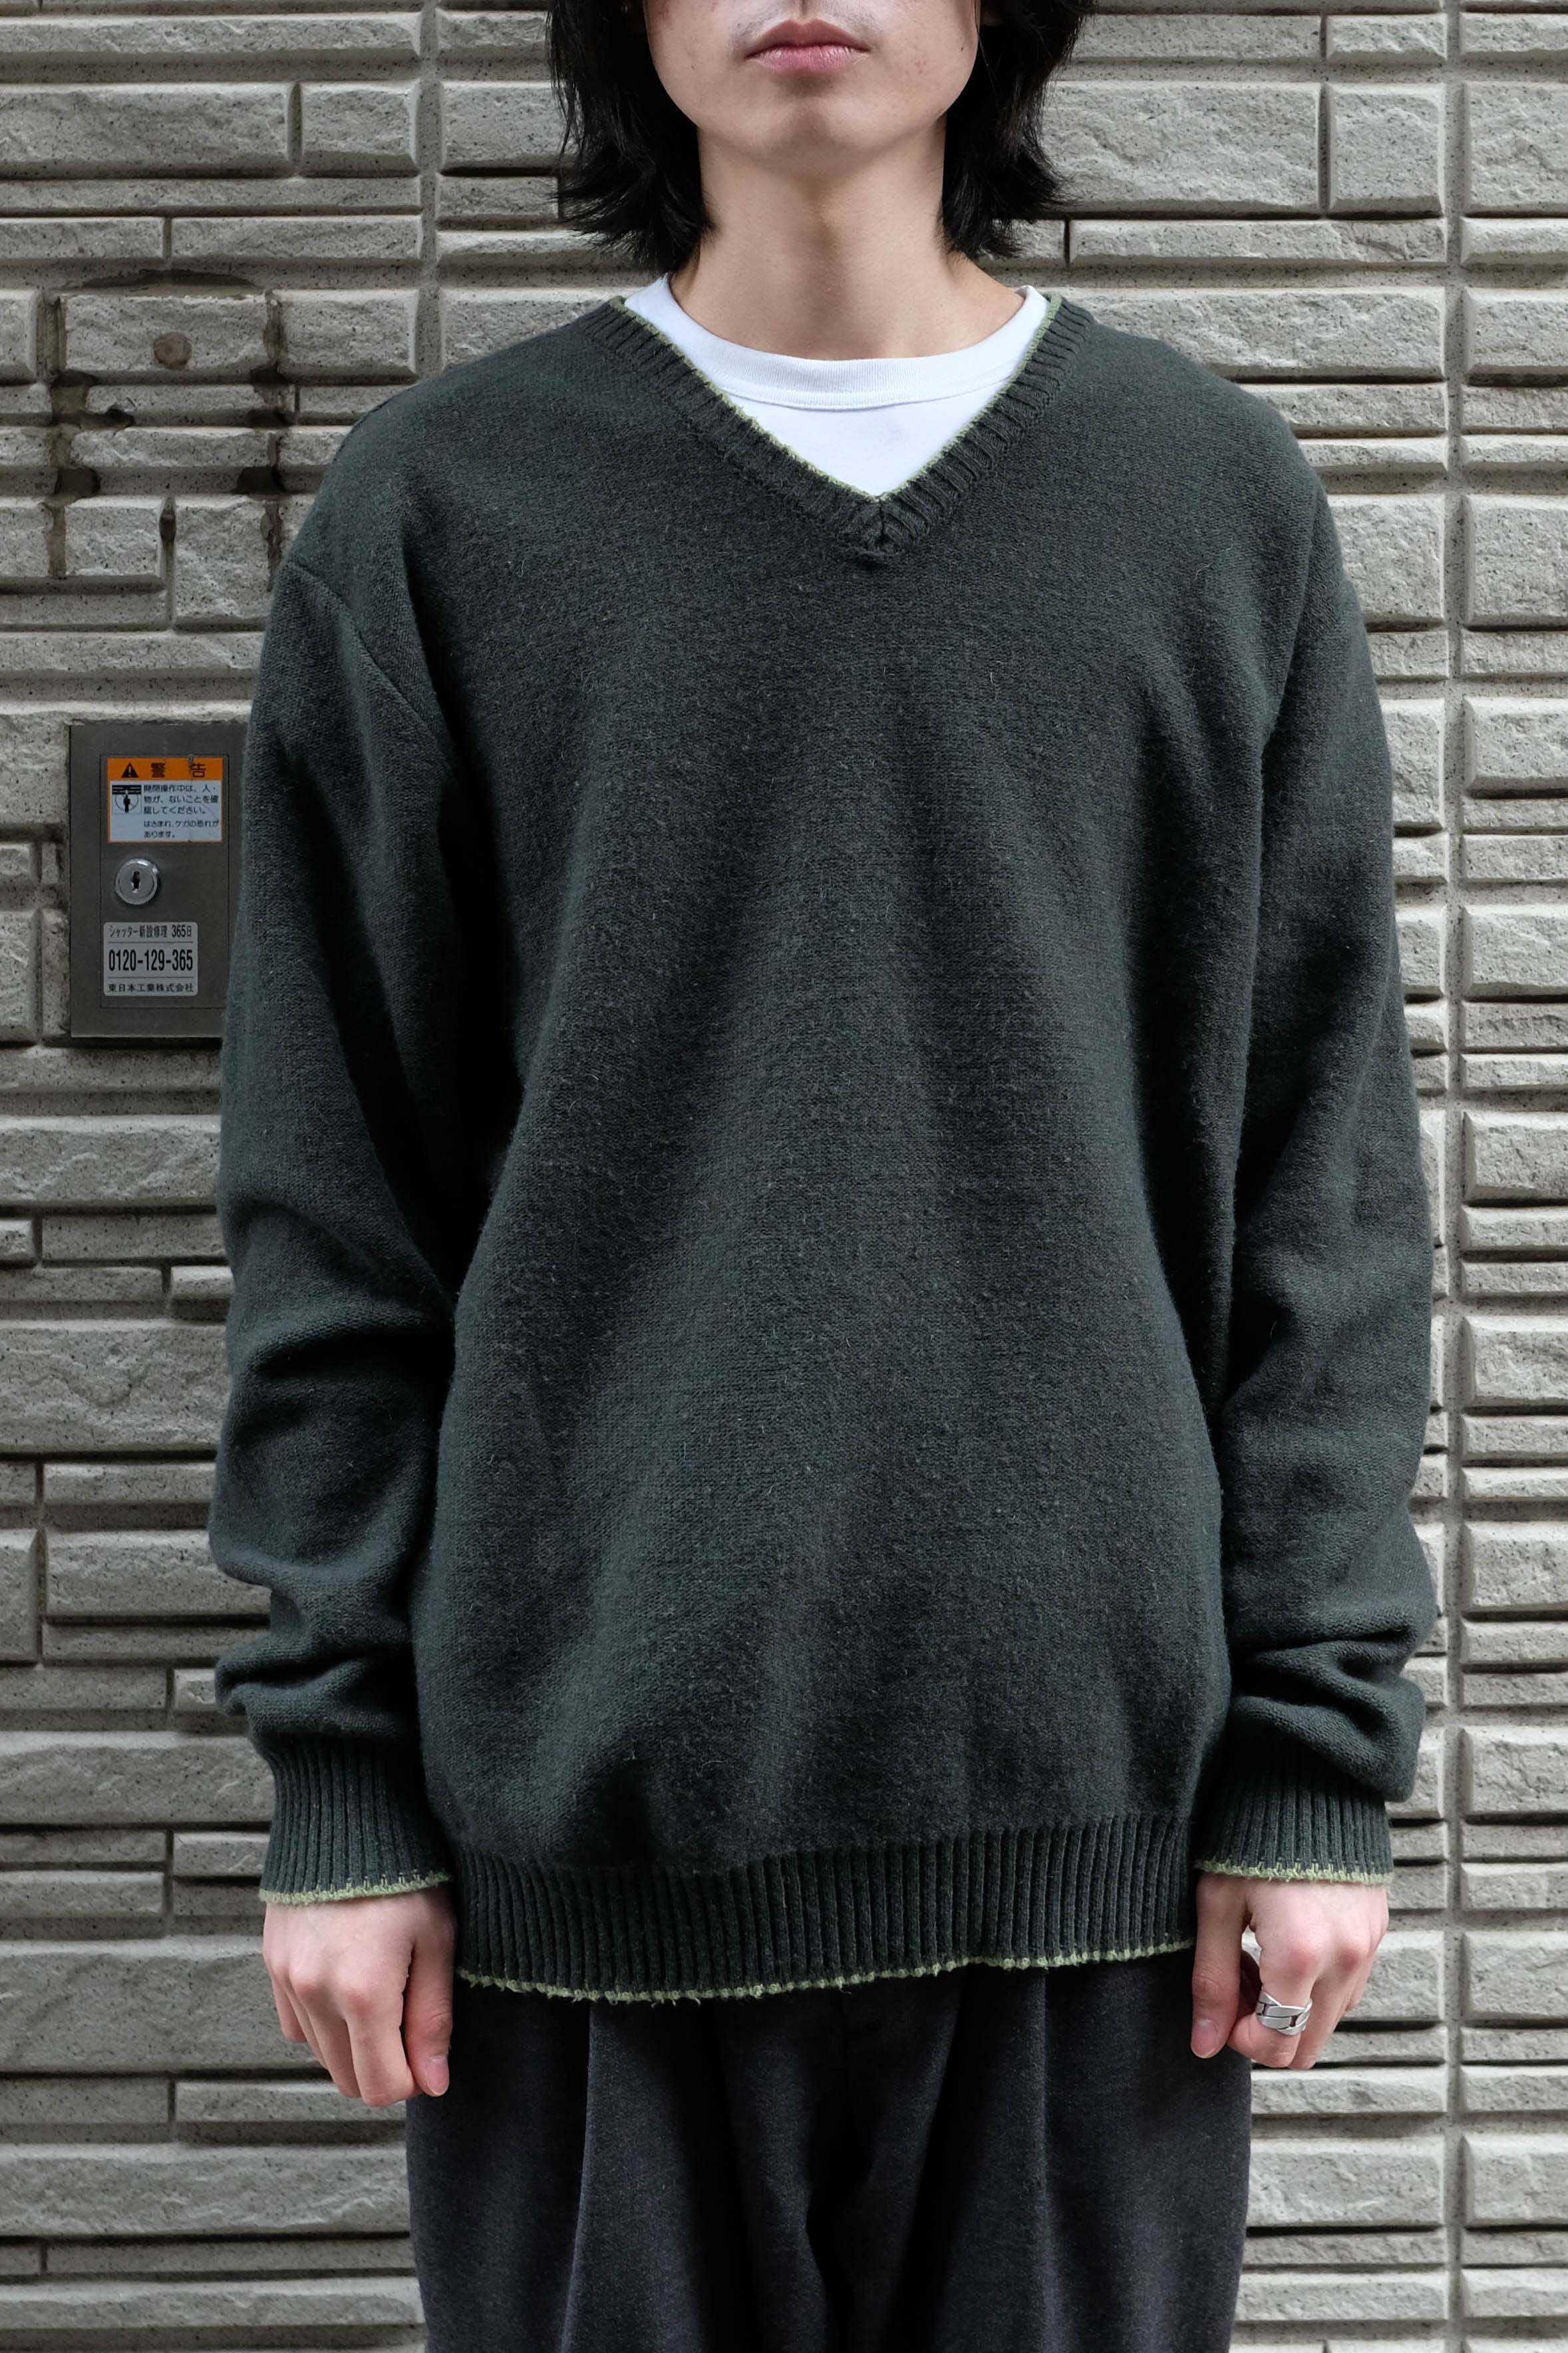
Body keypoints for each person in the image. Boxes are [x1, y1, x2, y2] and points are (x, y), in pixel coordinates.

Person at [205, 0, 1438, 2335]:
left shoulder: (1206, 502)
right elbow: (335, 1193)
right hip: (580, 1849)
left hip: (1098, 1848)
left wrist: (1314, 1758)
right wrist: (341, 1780)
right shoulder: (445, 513)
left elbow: (1326, 1190)